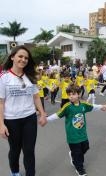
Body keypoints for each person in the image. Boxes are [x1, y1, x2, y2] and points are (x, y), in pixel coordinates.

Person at [0, 46, 47, 176]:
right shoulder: (4, 78)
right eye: (20, 56)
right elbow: (1, 103)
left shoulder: (30, 77)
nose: (23, 59)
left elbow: (36, 97)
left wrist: (42, 114)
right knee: (15, 150)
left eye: (26, 58)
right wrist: (1, 124)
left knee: (29, 151)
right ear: (12, 57)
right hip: (11, 120)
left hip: (29, 118)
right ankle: (15, 172)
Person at [47, 84, 104, 176]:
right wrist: (46, 119)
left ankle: (73, 154)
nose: (71, 96)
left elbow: (93, 107)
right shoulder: (67, 106)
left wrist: (102, 107)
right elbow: (57, 114)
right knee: (78, 154)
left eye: (73, 94)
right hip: (72, 135)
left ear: (79, 94)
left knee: (85, 148)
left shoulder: (83, 105)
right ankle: (80, 169)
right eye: (69, 94)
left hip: (82, 134)